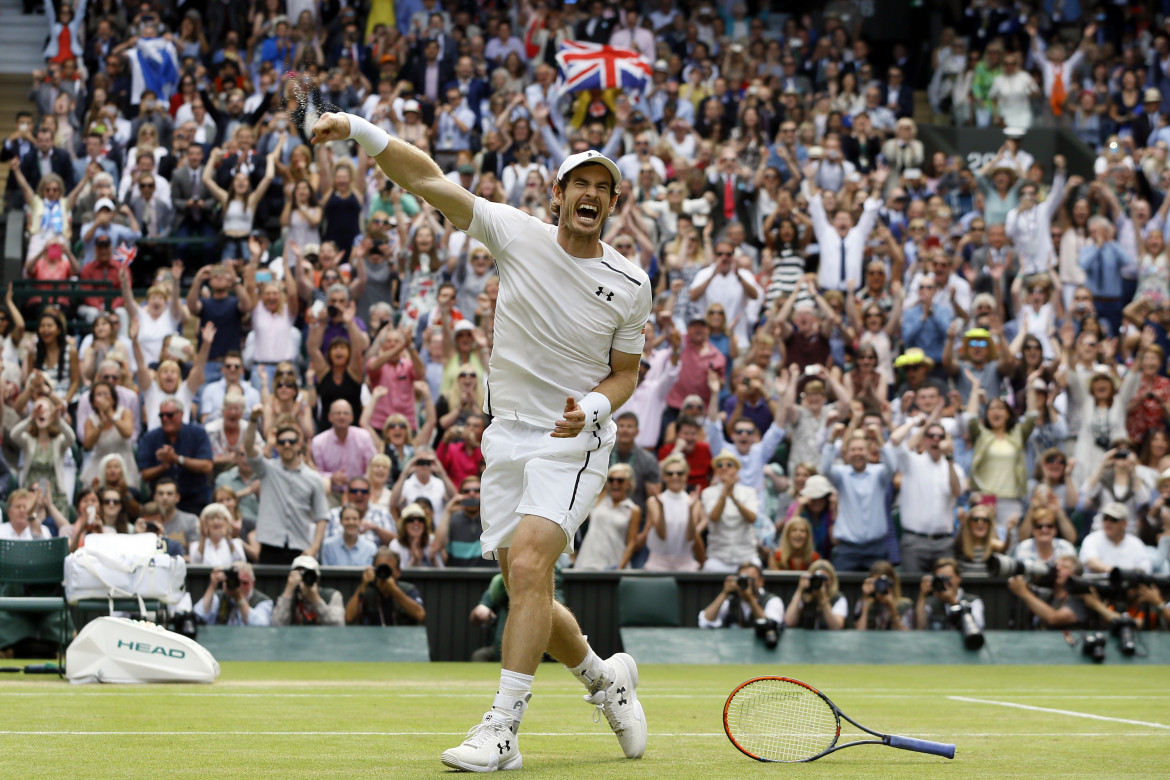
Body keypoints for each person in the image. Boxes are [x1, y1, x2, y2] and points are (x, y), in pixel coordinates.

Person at [309, 112, 650, 768]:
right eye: (577, 181)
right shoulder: (513, 232)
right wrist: (358, 127)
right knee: (529, 589)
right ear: (557, 192)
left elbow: (627, 374)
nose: (588, 192)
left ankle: (503, 729)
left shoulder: (632, 284)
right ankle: (606, 682)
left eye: (601, 186)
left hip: (575, 443)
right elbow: (428, 179)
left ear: (612, 202)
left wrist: (595, 408)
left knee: (527, 569)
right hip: (507, 436)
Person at [244, 408, 329, 565]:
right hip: (270, 546)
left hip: (300, 547)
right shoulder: (267, 470)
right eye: (282, 442)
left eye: (292, 441)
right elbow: (249, 448)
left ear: (299, 445)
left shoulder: (314, 478)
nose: (287, 445)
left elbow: (322, 517)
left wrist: (313, 549)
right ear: (277, 446)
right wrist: (253, 420)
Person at [137, 396, 214, 516]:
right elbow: (145, 475)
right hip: (160, 501)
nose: (165, 418)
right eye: (162, 415)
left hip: (193, 499)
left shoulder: (197, 433)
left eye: (170, 415)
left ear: (181, 414)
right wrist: (164, 466)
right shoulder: (150, 438)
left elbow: (207, 466)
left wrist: (177, 459)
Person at [344, 547, 427, 626]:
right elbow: (348, 617)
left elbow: (420, 615)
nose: (384, 574)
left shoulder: (408, 590)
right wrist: (363, 584)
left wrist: (394, 591)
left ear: (398, 572)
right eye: (380, 569)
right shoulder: (367, 591)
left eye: (388, 570)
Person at [1007, 554, 1089, 629]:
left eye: (1065, 567)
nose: (1058, 569)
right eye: (1056, 566)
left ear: (1075, 574)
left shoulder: (1079, 598)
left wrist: (1023, 592)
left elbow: (1054, 618)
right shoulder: (1047, 595)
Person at [698, 562, 784, 628]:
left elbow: (770, 626)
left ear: (761, 581)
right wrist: (724, 593)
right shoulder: (731, 601)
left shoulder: (772, 601)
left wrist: (750, 600)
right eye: (743, 580)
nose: (747, 583)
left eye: (750, 579)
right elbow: (704, 622)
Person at [1080, 502, 1153, 574]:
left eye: (1113, 519)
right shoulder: (1092, 539)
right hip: (1097, 583)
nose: (1108, 523)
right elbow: (1091, 562)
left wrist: (1125, 576)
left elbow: (1144, 569)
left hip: (1128, 584)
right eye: (1105, 518)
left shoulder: (1136, 543)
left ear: (1124, 523)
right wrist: (1117, 573)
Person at [915, 558, 986, 632]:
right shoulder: (931, 603)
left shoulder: (973, 601)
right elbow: (920, 628)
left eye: (948, 578)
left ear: (958, 578)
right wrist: (922, 596)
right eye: (941, 579)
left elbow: (977, 627)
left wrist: (953, 602)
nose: (945, 583)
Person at [272, 555, 345, 626]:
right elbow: (277, 625)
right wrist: (288, 592)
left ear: (317, 577)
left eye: (308, 574)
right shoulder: (289, 598)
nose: (303, 578)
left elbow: (338, 625)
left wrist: (316, 601)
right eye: (299, 573)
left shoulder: (332, 596)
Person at [193, 561, 273, 626]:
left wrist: (238, 597)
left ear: (253, 583)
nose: (240, 587)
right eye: (237, 582)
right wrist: (212, 586)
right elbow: (199, 614)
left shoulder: (263, 601)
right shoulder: (220, 596)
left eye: (244, 583)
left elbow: (260, 626)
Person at [784, 559, 847, 629]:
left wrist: (823, 599)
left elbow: (837, 627)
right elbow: (789, 622)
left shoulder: (838, 598)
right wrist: (800, 590)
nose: (819, 583)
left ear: (831, 580)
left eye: (824, 579)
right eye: (816, 579)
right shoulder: (804, 596)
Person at [854, 561, 912, 630]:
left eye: (882, 582)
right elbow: (859, 633)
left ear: (892, 582)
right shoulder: (864, 603)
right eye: (876, 582)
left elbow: (906, 636)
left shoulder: (904, 605)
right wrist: (865, 600)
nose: (880, 586)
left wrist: (892, 608)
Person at [190, 502, 246, 567]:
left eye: (219, 518)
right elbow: (195, 563)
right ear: (205, 523)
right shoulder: (195, 545)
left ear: (226, 521)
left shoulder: (236, 543)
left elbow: (240, 562)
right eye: (211, 518)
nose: (215, 521)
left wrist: (228, 536)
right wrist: (203, 536)